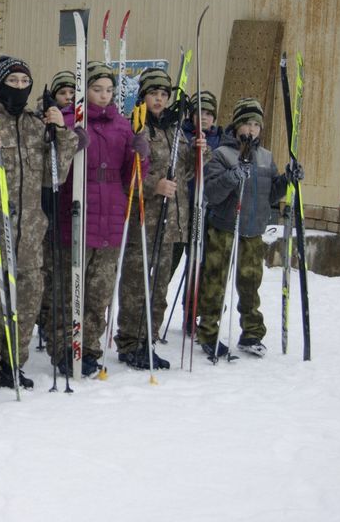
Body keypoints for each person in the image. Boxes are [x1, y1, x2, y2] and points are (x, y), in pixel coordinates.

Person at [0, 55, 78, 389]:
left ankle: (14, 362)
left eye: (24, 82)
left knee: (29, 299)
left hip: (32, 231)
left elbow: (56, 175)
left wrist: (59, 131)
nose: (18, 87)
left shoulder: (36, 125)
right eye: (12, 81)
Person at [47, 61, 146, 377]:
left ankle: (88, 347)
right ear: (83, 90)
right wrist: (67, 140)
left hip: (112, 217)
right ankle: (65, 347)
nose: (103, 95)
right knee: (71, 288)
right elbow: (54, 173)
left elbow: (128, 176)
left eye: (109, 90)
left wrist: (139, 154)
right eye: (96, 89)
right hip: (77, 214)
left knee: (99, 292)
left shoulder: (122, 126)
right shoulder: (68, 120)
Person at [195, 98, 300, 359]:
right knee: (215, 281)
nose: (252, 130)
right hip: (225, 227)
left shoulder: (265, 157)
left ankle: (252, 332)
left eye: (256, 125)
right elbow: (212, 191)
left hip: (253, 229)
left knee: (251, 283)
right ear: (236, 125)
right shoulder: (222, 154)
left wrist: (288, 179)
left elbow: (271, 193)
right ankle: (208, 331)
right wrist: (234, 176)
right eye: (247, 124)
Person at [115, 68, 205, 369]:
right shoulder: (135, 128)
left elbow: (185, 172)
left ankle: (148, 340)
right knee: (136, 284)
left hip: (170, 224)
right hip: (144, 219)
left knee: (159, 288)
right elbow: (124, 173)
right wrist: (154, 185)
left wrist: (197, 154)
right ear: (144, 96)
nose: (159, 100)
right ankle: (130, 342)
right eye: (154, 94)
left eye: (164, 95)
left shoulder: (174, 130)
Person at [37, 70, 75, 345]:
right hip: (40, 203)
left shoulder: (71, 124)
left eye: (72, 94)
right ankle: (41, 319)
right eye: (63, 93)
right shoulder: (38, 120)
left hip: (62, 202)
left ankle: (51, 321)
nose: (67, 98)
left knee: (57, 269)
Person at [169, 89, 223, 280]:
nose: (204, 118)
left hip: (205, 212)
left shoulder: (221, 141)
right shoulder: (179, 136)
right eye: (200, 113)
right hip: (179, 211)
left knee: (197, 268)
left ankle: (191, 306)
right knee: (168, 264)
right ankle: (154, 304)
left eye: (209, 114)